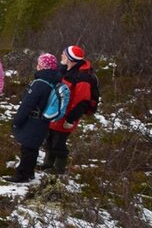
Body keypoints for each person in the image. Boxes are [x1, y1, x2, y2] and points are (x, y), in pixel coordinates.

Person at [41, 45, 99, 175]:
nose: (61, 55)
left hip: (66, 116)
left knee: (59, 143)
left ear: (70, 58)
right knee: (49, 139)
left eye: (64, 54)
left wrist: (70, 119)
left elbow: (82, 101)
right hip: (55, 112)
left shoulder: (82, 78)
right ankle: (47, 164)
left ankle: (59, 169)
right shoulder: (64, 69)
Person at [9, 53, 61, 183]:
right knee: (33, 148)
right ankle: (30, 172)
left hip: (33, 121)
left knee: (27, 149)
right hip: (43, 122)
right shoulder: (53, 81)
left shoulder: (39, 84)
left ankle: (22, 175)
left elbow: (27, 104)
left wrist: (17, 121)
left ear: (43, 66)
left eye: (39, 64)